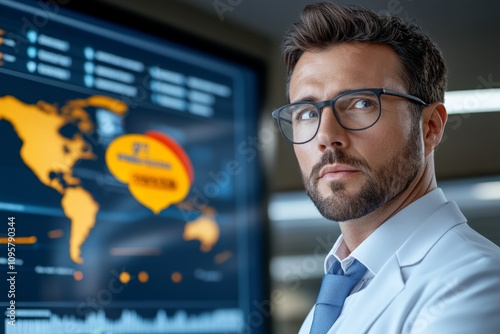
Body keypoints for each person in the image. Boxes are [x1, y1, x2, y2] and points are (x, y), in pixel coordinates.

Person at [271, 2, 500, 333]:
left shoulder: (474, 285)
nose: (326, 136)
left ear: (430, 127)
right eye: (307, 112)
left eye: (362, 103)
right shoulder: (338, 292)